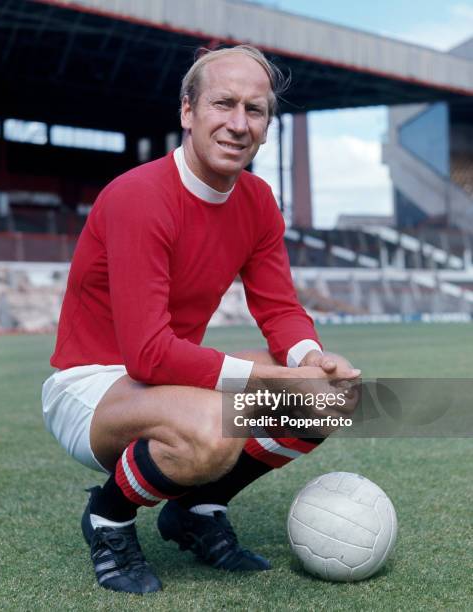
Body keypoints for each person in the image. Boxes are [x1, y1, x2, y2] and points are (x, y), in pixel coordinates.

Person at [42, 45, 360, 595]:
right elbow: (146, 355)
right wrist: (269, 379)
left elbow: (280, 308)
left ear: (266, 126)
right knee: (214, 424)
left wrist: (310, 359)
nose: (238, 124)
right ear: (187, 111)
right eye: (223, 104)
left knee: (324, 396)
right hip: (91, 386)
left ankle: (197, 509)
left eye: (254, 110)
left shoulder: (258, 200)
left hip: (163, 381)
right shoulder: (138, 197)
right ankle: (108, 518)